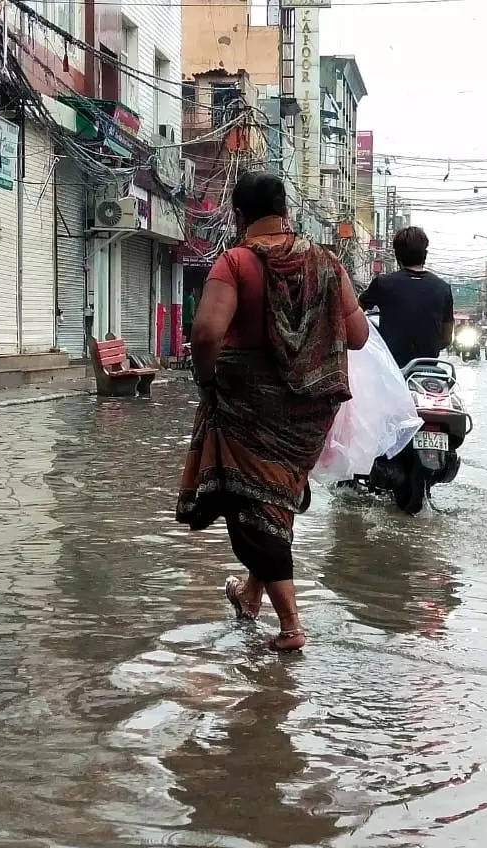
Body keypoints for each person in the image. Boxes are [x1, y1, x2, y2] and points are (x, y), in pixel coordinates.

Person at [176, 172, 369, 652]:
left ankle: (290, 627)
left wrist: (208, 381)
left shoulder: (236, 262)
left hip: (248, 406)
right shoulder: (328, 263)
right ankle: (249, 596)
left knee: (250, 510)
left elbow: (204, 335)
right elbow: (359, 335)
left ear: (239, 216)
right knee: (274, 502)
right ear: (285, 211)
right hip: (308, 414)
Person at [358, 226, 454, 369]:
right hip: (428, 371)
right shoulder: (443, 288)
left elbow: (353, 312)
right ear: (425, 254)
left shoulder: (383, 284)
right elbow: (446, 339)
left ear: (397, 256)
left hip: (390, 371)